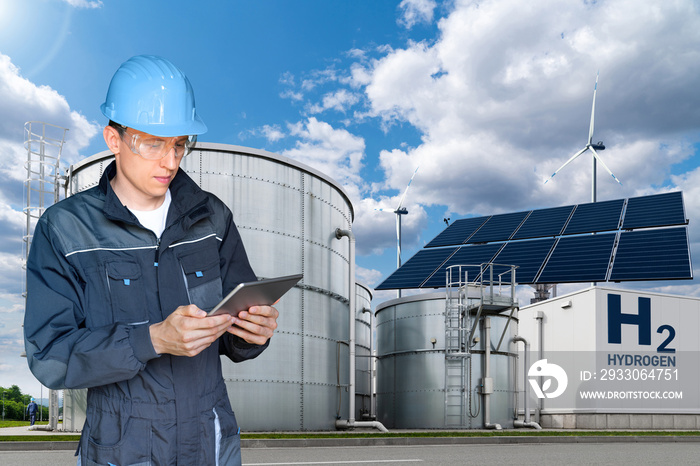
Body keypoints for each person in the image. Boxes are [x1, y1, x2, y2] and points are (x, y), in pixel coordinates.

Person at [23, 55, 279, 465]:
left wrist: (254, 332)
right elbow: (50, 355)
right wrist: (153, 339)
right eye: (153, 143)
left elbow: (234, 333)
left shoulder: (212, 218)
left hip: (209, 443)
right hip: (122, 446)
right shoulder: (66, 229)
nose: (170, 161)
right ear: (113, 139)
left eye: (179, 144)